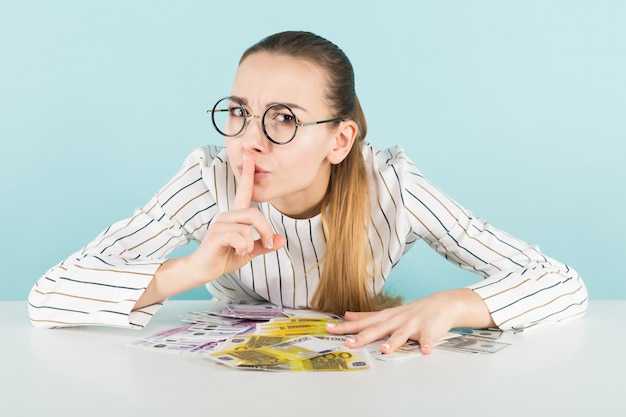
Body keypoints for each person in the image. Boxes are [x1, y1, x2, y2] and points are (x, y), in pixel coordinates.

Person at [28, 30, 588, 355]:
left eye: (284, 119)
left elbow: (562, 284)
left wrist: (454, 304)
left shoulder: (393, 187)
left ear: (339, 140)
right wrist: (192, 269)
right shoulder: (208, 181)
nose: (250, 142)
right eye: (241, 114)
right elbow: (50, 295)